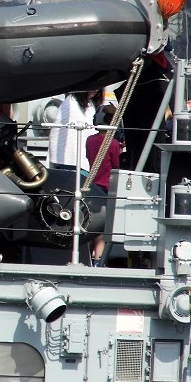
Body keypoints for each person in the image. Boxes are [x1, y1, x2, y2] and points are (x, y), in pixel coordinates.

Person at [85, 104, 123, 260]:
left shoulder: (89, 140)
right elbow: (117, 165)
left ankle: (87, 255)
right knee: (102, 225)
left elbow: (89, 157)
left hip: (92, 184)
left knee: (91, 222)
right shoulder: (113, 144)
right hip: (107, 187)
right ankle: (98, 257)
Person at [48, 89, 103, 171]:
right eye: (93, 87)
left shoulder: (92, 104)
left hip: (88, 156)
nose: (95, 90)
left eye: (99, 87)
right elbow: (59, 132)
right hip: (68, 160)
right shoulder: (70, 103)